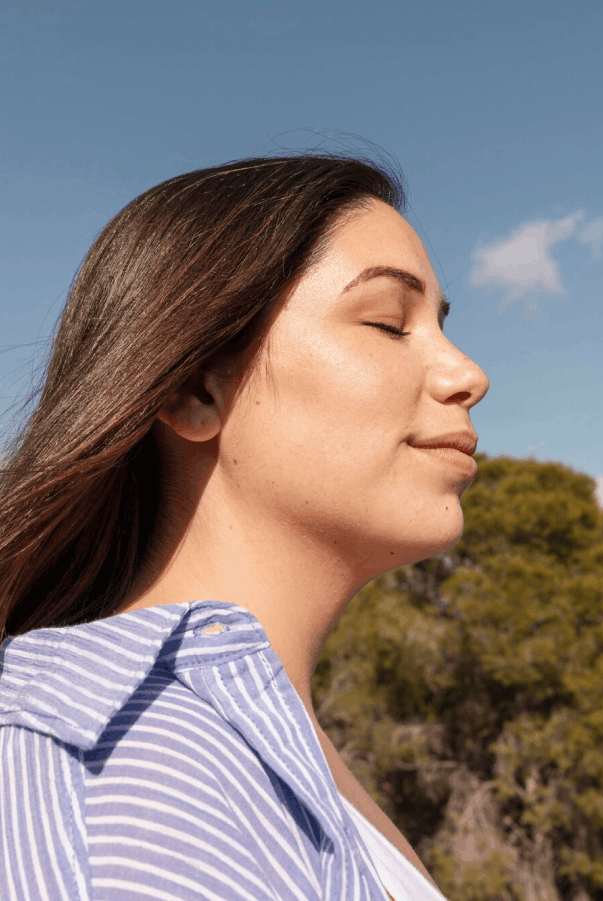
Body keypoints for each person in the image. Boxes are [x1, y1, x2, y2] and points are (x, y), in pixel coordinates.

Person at [0, 153, 489, 900]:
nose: (467, 374)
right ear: (197, 388)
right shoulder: (114, 764)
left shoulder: (269, 745)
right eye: (390, 323)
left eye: (439, 325)